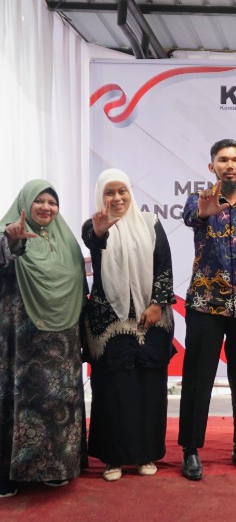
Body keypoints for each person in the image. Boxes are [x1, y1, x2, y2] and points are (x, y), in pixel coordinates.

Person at [178, 139, 236, 481]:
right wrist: (204, 212)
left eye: (235, 160)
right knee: (198, 379)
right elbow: (191, 216)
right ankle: (190, 449)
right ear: (212, 166)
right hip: (206, 306)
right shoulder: (199, 200)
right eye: (222, 160)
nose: (229, 165)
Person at [83, 169, 177, 482]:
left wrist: (157, 304)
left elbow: (164, 267)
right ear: (101, 196)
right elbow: (93, 242)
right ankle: (113, 458)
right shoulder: (94, 225)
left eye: (122, 191)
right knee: (113, 390)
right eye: (109, 192)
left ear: (130, 192)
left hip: (151, 321)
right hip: (110, 323)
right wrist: (100, 233)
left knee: (148, 388)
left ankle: (145, 453)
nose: (117, 198)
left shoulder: (150, 223)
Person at [1, 180, 87, 497]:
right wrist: (12, 242)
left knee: (57, 403)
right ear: (25, 203)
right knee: (17, 402)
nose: (46, 207)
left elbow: (79, 284)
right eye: (39, 201)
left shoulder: (66, 241)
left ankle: (55, 467)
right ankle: (6, 473)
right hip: (20, 340)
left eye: (52, 202)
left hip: (61, 341)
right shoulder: (8, 232)